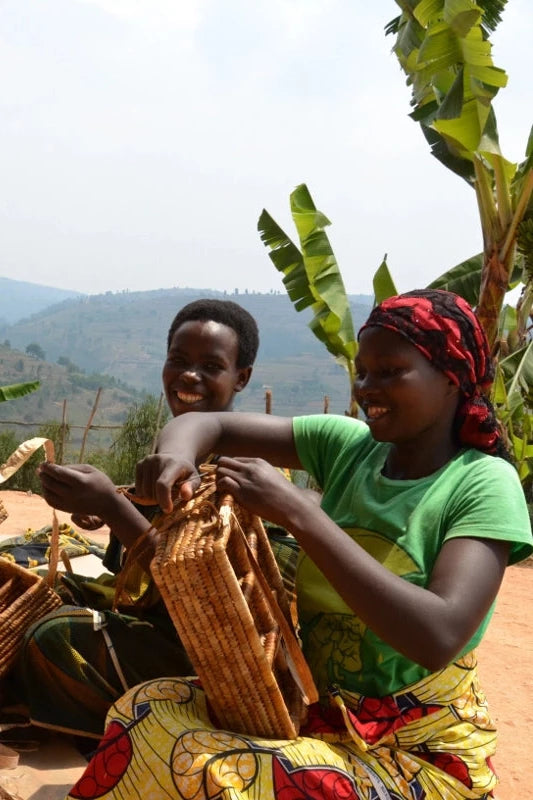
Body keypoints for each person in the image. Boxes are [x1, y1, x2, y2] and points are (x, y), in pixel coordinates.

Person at [58, 289, 532, 800]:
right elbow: (204, 424)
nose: (367, 388)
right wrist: (179, 458)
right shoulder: (351, 447)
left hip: (414, 752)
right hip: (318, 716)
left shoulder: (483, 483)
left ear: (450, 377)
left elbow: (438, 635)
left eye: (390, 371)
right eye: (363, 372)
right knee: (145, 710)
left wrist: (302, 513)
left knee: (233, 769)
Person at [15, 298, 272, 740]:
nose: (189, 377)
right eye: (178, 360)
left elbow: (206, 598)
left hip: (203, 654)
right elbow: (133, 563)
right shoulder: (174, 451)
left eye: (211, 366)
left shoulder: (246, 474)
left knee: (54, 635)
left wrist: (118, 511)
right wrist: (110, 510)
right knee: (33, 582)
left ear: (241, 377)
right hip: (153, 618)